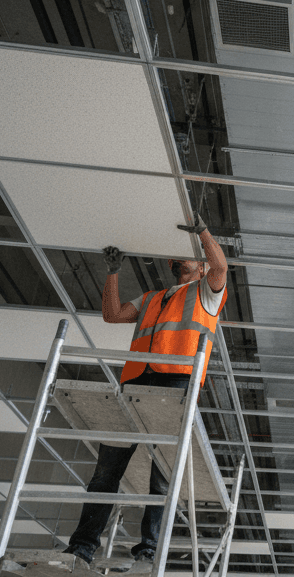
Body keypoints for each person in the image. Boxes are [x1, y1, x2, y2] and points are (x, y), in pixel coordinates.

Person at [62, 215, 228, 567]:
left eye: (188, 256)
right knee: (105, 474)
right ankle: (82, 546)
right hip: (136, 382)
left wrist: (201, 233)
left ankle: (149, 550)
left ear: (199, 267)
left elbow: (222, 266)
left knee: (162, 477)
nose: (179, 259)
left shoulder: (207, 294)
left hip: (176, 383)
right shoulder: (153, 297)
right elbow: (112, 314)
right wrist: (112, 273)